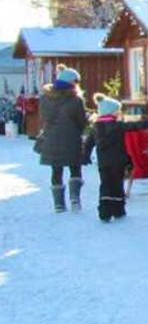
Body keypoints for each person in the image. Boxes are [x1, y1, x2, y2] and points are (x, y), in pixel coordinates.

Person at [82, 94, 148, 222]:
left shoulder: (96, 128)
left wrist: (85, 156)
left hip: (103, 162)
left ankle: (104, 211)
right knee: (117, 185)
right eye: (117, 111)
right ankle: (118, 209)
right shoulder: (118, 126)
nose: (119, 113)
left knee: (105, 184)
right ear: (112, 112)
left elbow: (88, 144)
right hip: (118, 161)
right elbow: (136, 126)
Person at [36, 64, 87, 213]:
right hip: (71, 138)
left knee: (56, 170)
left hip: (51, 138)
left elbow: (44, 117)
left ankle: (58, 204)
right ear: (72, 82)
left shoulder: (45, 98)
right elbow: (81, 121)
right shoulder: (76, 100)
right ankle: (75, 199)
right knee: (75, 168)